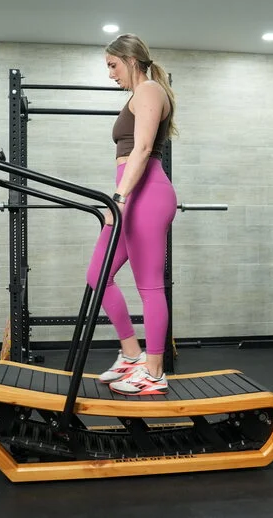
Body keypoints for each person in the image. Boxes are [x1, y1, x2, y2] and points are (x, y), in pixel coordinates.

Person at [85, 34, 178, 396]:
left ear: (131, 59)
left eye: (113, 65)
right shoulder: (138, 96)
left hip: (146, 196)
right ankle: (131, 354)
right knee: (98, 275)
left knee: (149, 285)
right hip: (130, 195)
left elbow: (141, 149)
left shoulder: (150, 91)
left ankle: (154, 371)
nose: (110, 74)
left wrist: (120, 198)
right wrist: (121, 198)